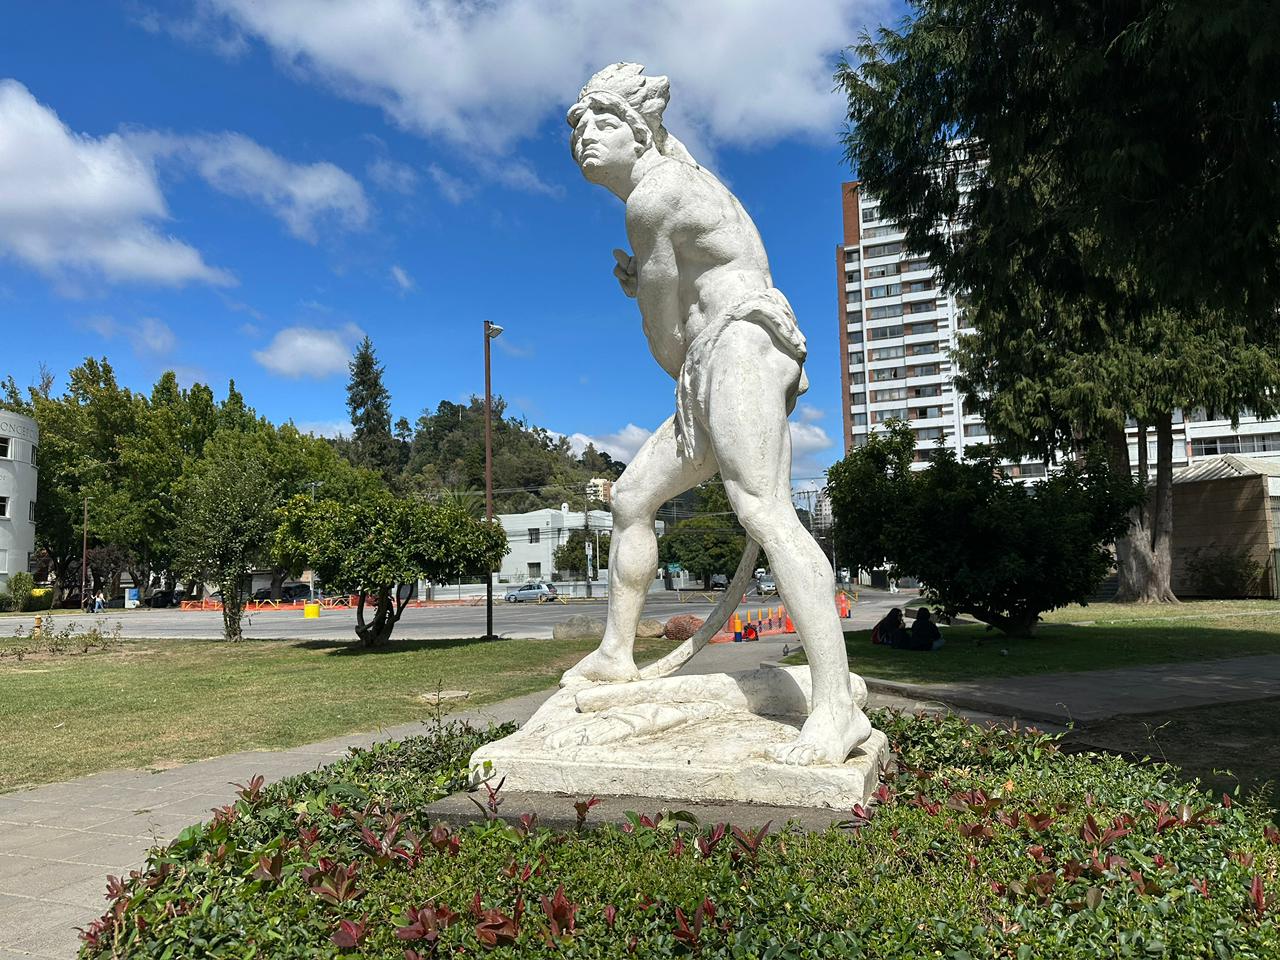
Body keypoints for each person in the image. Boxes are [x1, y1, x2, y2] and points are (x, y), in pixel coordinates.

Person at [559, 63, 870, 766]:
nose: (585, 137)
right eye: (577, 127)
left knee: (764, 514)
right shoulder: (672, 182)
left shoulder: (653, 198)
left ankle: (834, 708)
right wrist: (651, 282)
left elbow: (668, 344)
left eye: (603, 122)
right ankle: (614, 653)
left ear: (639, 132)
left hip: (737, 341)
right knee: (633, 498)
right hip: (718, 358)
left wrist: (645, 294)